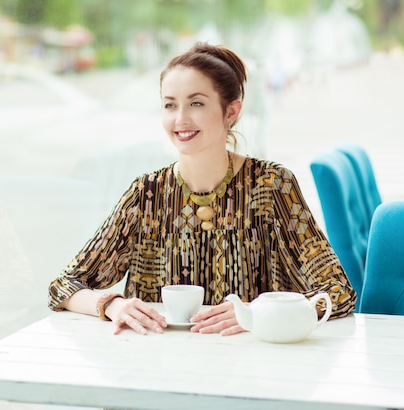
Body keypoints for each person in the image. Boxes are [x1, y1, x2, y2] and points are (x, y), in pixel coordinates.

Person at [48, 41, 357, 336]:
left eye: (196, 103)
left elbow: (338, 293)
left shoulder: (272, 185)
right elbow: (63, 286)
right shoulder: (146, 194)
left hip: (254, 368)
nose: (180, 119)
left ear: (231, 112)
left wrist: (256, 313)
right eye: (170, 105)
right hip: (156, 366)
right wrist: (112, 305)